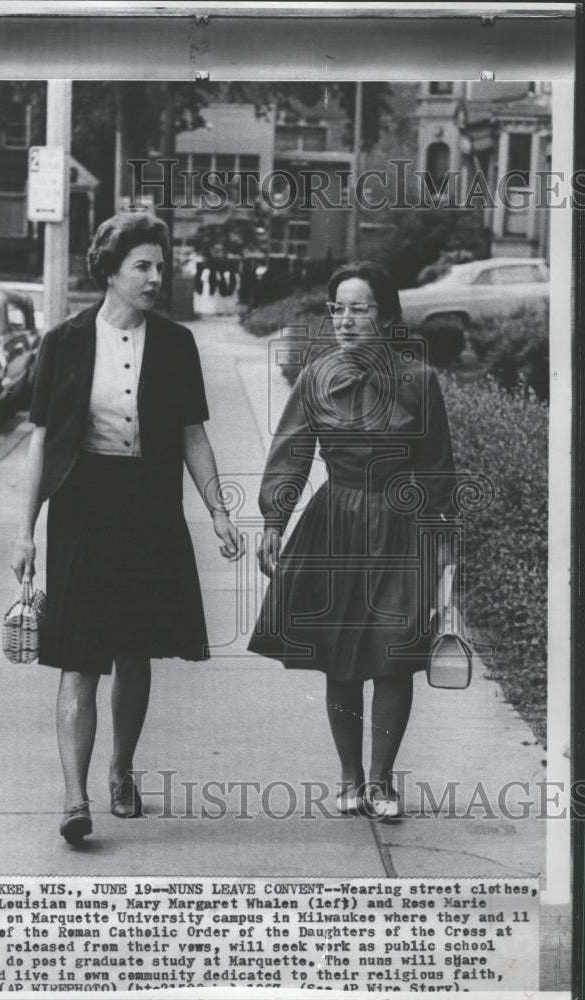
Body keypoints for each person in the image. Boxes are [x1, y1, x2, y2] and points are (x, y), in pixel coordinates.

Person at [11, 212, 242, 844]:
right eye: (142, 265)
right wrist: (25, 530)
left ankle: (121, 768)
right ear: (109, 270)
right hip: (83, 504)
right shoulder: (62, 341)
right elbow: (40, 442)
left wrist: (219, 510)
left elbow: (193, 434)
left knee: (134, 647)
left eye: (159, 266)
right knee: (79, 653)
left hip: (149, 507)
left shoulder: (174, 343)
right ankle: (73, 796)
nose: (154, 277)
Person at [248, 262, 457, 819]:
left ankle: (383, 782)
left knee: (394, 650)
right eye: (336, 308)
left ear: (384, 314)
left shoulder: (419, 379)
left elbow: (438, 469)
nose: (344, 319)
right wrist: (274, 521)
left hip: (401, 524)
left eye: (358, 308)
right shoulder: (317, 376)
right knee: (340, 656)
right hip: (334, 523)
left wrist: (444, 549)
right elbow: (291, 449)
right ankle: (350, 777)